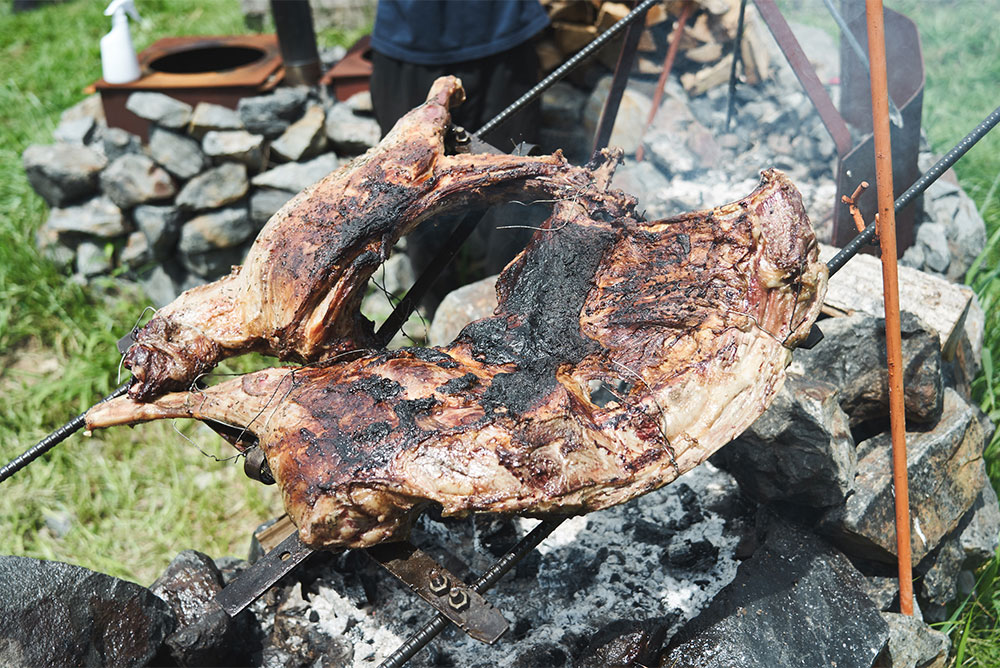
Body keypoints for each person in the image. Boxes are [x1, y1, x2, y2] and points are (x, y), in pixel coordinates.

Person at [369, 0, 550, 312]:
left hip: (504, 32)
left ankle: (512, 319)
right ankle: (438, 323)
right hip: (409, 39)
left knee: (517, 195)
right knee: (415, 195)